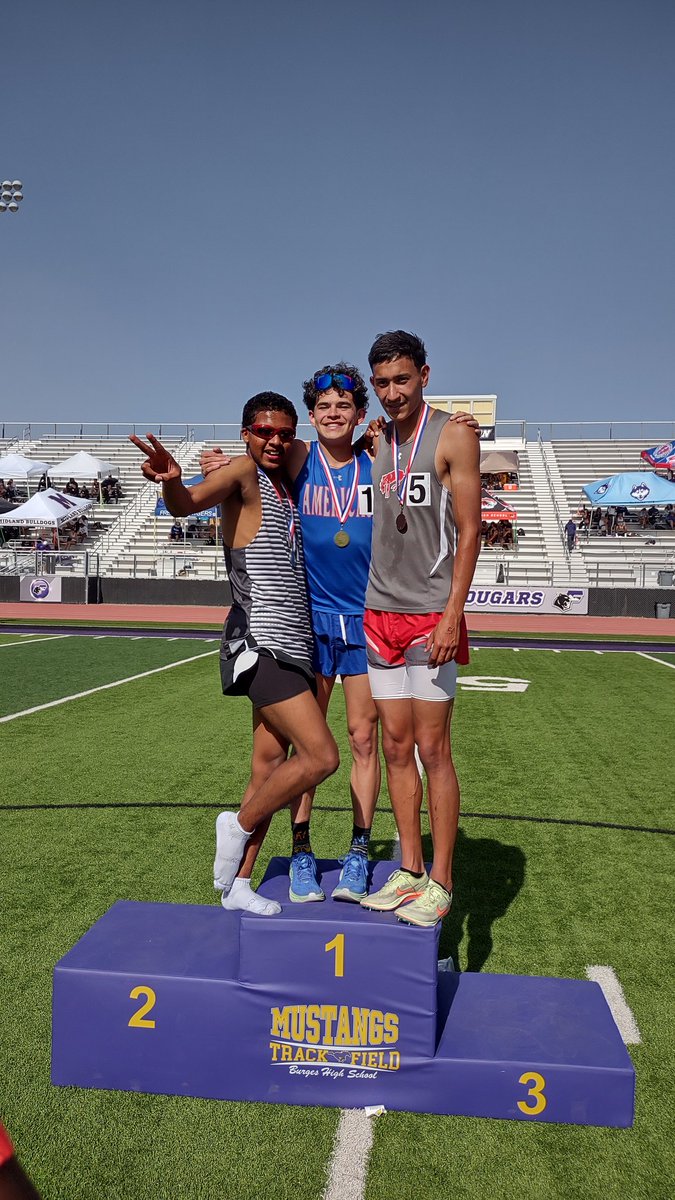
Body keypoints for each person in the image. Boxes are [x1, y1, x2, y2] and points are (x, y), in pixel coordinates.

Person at [131, 394, 339, 916]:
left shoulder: (285, 485)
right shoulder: (244, 473)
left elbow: (331, 444)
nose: (275, 441)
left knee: (268, 769)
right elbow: (185, 504)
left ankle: (239, 885)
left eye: (285, 433)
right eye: (265, 431)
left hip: (297, 644)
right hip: (261, 645)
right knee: (322, 758)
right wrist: (173, 480)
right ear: (246, 432)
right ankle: (239, 823)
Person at [359, 330, 481, 929]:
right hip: (379, 610)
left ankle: (441, 881)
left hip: (432, 612)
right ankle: (408, 871)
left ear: (425, 376)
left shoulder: (453, 433)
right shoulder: (379, 436)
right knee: (395, 747)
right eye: (381, 383)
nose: (392, 393)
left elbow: (471, 529)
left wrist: (454, 616)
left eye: (402, 380)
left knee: (434, 750)